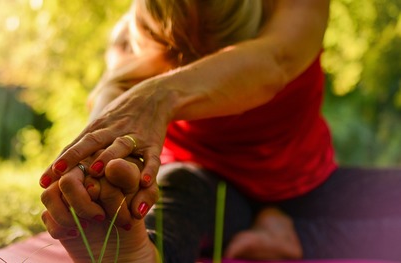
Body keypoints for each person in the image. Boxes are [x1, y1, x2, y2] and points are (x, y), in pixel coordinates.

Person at [39, 0, 401, 262]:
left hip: (309, 184)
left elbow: (274, 62)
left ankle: (293, 238)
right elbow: (109, 105)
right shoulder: (133, 39)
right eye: (182, 58)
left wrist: (156, 96)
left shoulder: (298, 10)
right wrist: (95, 175)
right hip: (207, 184)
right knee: (177, 195)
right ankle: (138, 250)